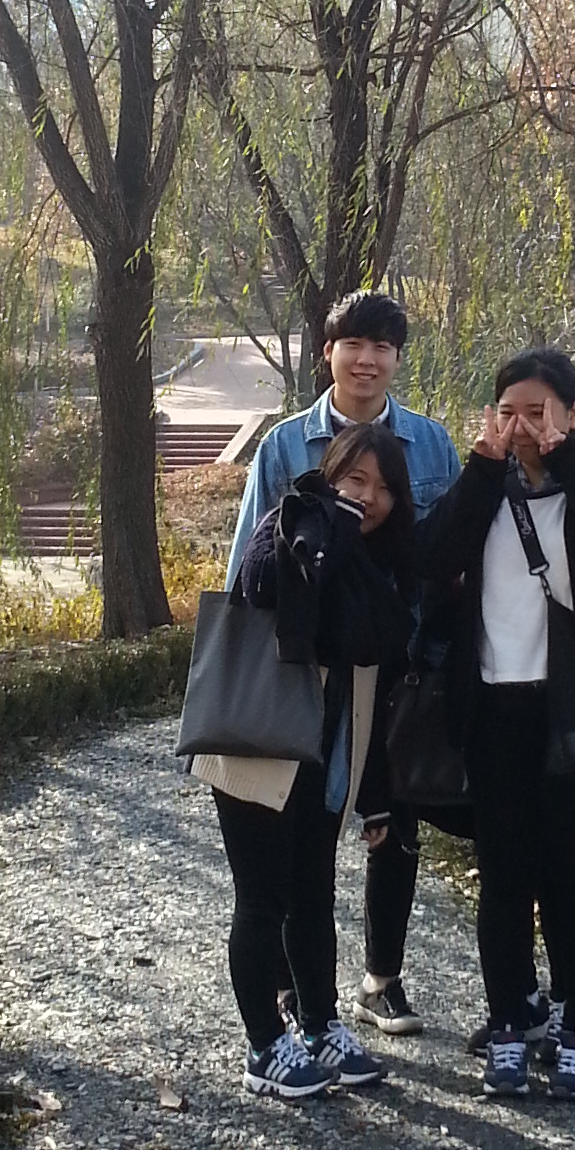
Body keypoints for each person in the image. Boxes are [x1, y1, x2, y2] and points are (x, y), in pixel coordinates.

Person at [416, 346, 575, 1104]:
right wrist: (482, 470)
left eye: (539, 411)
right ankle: (510, 1025)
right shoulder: (484, 490)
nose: (521, 426)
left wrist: (569, 460)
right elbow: (431, 556)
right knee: (505, 879)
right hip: (497, 708)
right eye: (508, 411)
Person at [228, 289, 462, 1036]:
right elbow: (249, 560)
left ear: (397, 358)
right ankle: (294, 990)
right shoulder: (284, 446)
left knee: (395, 824)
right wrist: (245, 672)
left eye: (382, 347)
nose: (367, 360)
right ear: (328, 351)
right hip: (309, 668)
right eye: (352, 344)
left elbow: (451, 555)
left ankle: (381, 978)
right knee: (303, 829)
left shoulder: (431, 445)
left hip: (402, 661)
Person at [198, 422, 418, 1101]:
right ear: (329, 474)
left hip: (324, 755)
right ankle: (264, 1045)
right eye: (355, 479)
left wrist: (376, 797)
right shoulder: (293, 521)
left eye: (382, 487)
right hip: (257, 743)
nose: (368, 497)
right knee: (262, 899)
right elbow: (263, 584)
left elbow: (384, 638)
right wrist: (330, 524)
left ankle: (320, 1024)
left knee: (314, 897)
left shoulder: (380, 560)